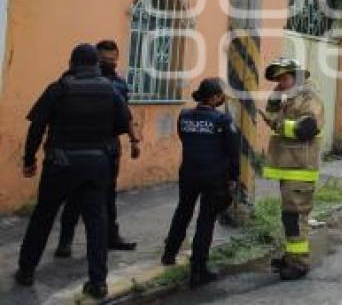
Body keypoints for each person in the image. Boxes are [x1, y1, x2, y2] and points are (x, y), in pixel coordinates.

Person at [15, 44, 132, 299]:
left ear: (72, 62)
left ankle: (26, 270)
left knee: (43, 216)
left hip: (61, 164)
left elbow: (37, 127)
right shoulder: (111, 91)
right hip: (96, 164)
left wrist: (29, 159)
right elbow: (122, 125)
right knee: (96, 223)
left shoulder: (59, 88)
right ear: (96, 64)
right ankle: (98, 282)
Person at [55, 39, 140, 258]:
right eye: (104, 59)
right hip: (81, 145)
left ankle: (111, 237)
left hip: (109, 146)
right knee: (74, 196)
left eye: (112, 59)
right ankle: (65, 241)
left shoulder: (120, 84)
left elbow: (125, 114)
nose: (109, 63)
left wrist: (134, 140)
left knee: (108, 196)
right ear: (96, 59)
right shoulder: (74, 80)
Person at [161, 78, 238, 288]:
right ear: (214, 97)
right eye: (221, 95)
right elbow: (233, 153)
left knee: (183, 211)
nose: (222, 98)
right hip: (213, 177)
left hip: (188, 173)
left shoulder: (184, 116)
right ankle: (198, 269)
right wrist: (233, 178)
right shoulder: (222, 120)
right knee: (206, 220)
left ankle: (169, 254)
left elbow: (184, 138)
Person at [261, 57, 324, 281]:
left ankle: (299, 262)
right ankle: (291, 256)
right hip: (288, 167)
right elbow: (269, 117)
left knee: (296, 217)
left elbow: (308, 127)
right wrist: (275, 98)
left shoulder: (308, 97)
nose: (280, 82)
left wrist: (279, 124)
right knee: (290, 217)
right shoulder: (288, 98)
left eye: (284, 77)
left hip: (300, 167)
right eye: (278, 78)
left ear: (296, 76)